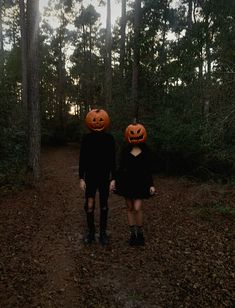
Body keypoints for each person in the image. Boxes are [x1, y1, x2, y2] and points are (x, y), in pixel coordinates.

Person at [79, 108, 116, 245]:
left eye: (100, 120)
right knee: (89, 205)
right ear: (89, 122)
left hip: (104, 178)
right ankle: (90, 232)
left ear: (105, 121)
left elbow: (113, 160)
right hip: (90, 178)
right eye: (94, 120)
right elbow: (82, 159)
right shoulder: (86, 139)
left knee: (104, 205)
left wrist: (114, 178)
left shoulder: (109, 139)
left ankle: (102, 233)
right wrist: (81, 178)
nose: (97, 122)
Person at [115, 123, 155, 246]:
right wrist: (114, 180)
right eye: (132, 133)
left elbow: (148, 169)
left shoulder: (146, 150)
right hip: (127, 182)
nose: (135, 136)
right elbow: (120, 167)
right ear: (128, 135)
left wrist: (151, 185)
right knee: (130, 208)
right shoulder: (126, 150)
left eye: (138, 133)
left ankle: (140, 233)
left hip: (140, 183)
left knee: (137, 208)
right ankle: (133, 234)